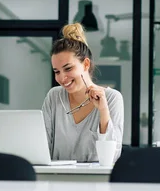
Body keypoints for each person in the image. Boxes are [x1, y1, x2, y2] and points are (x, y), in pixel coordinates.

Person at [42, 23, 124, 162]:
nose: (61, 78)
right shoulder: (54, 97)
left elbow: (111, 159)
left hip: (95, 181)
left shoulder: (112, 98)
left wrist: (103, 110)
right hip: (56, 179)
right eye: (57, 71)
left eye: (68, 69)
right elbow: (42, 149)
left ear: (86, 64)